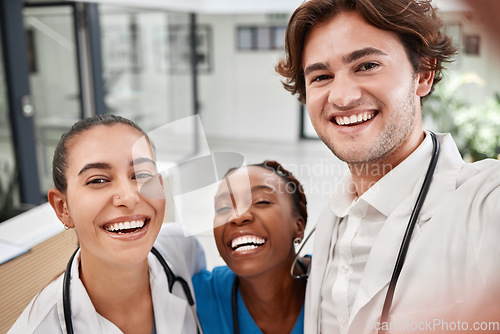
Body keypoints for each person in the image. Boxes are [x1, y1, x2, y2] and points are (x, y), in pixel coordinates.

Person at [275, 0, 500, 333]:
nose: (343, 97)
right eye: (322, 76)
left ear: (424, 73)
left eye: (367, 65)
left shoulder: (484, 202)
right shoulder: (332, 220)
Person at [9, 114, 205, 334]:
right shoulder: (38, 328)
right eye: (98, 180)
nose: (129, 197)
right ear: (63, 207)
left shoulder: (182, 248)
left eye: (141, 175)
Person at [192, 161, 308, 334]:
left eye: (261, 201)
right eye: (223, 208)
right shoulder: (195, 296)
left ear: (298, 226)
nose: (238, 216)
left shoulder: (337, 285)